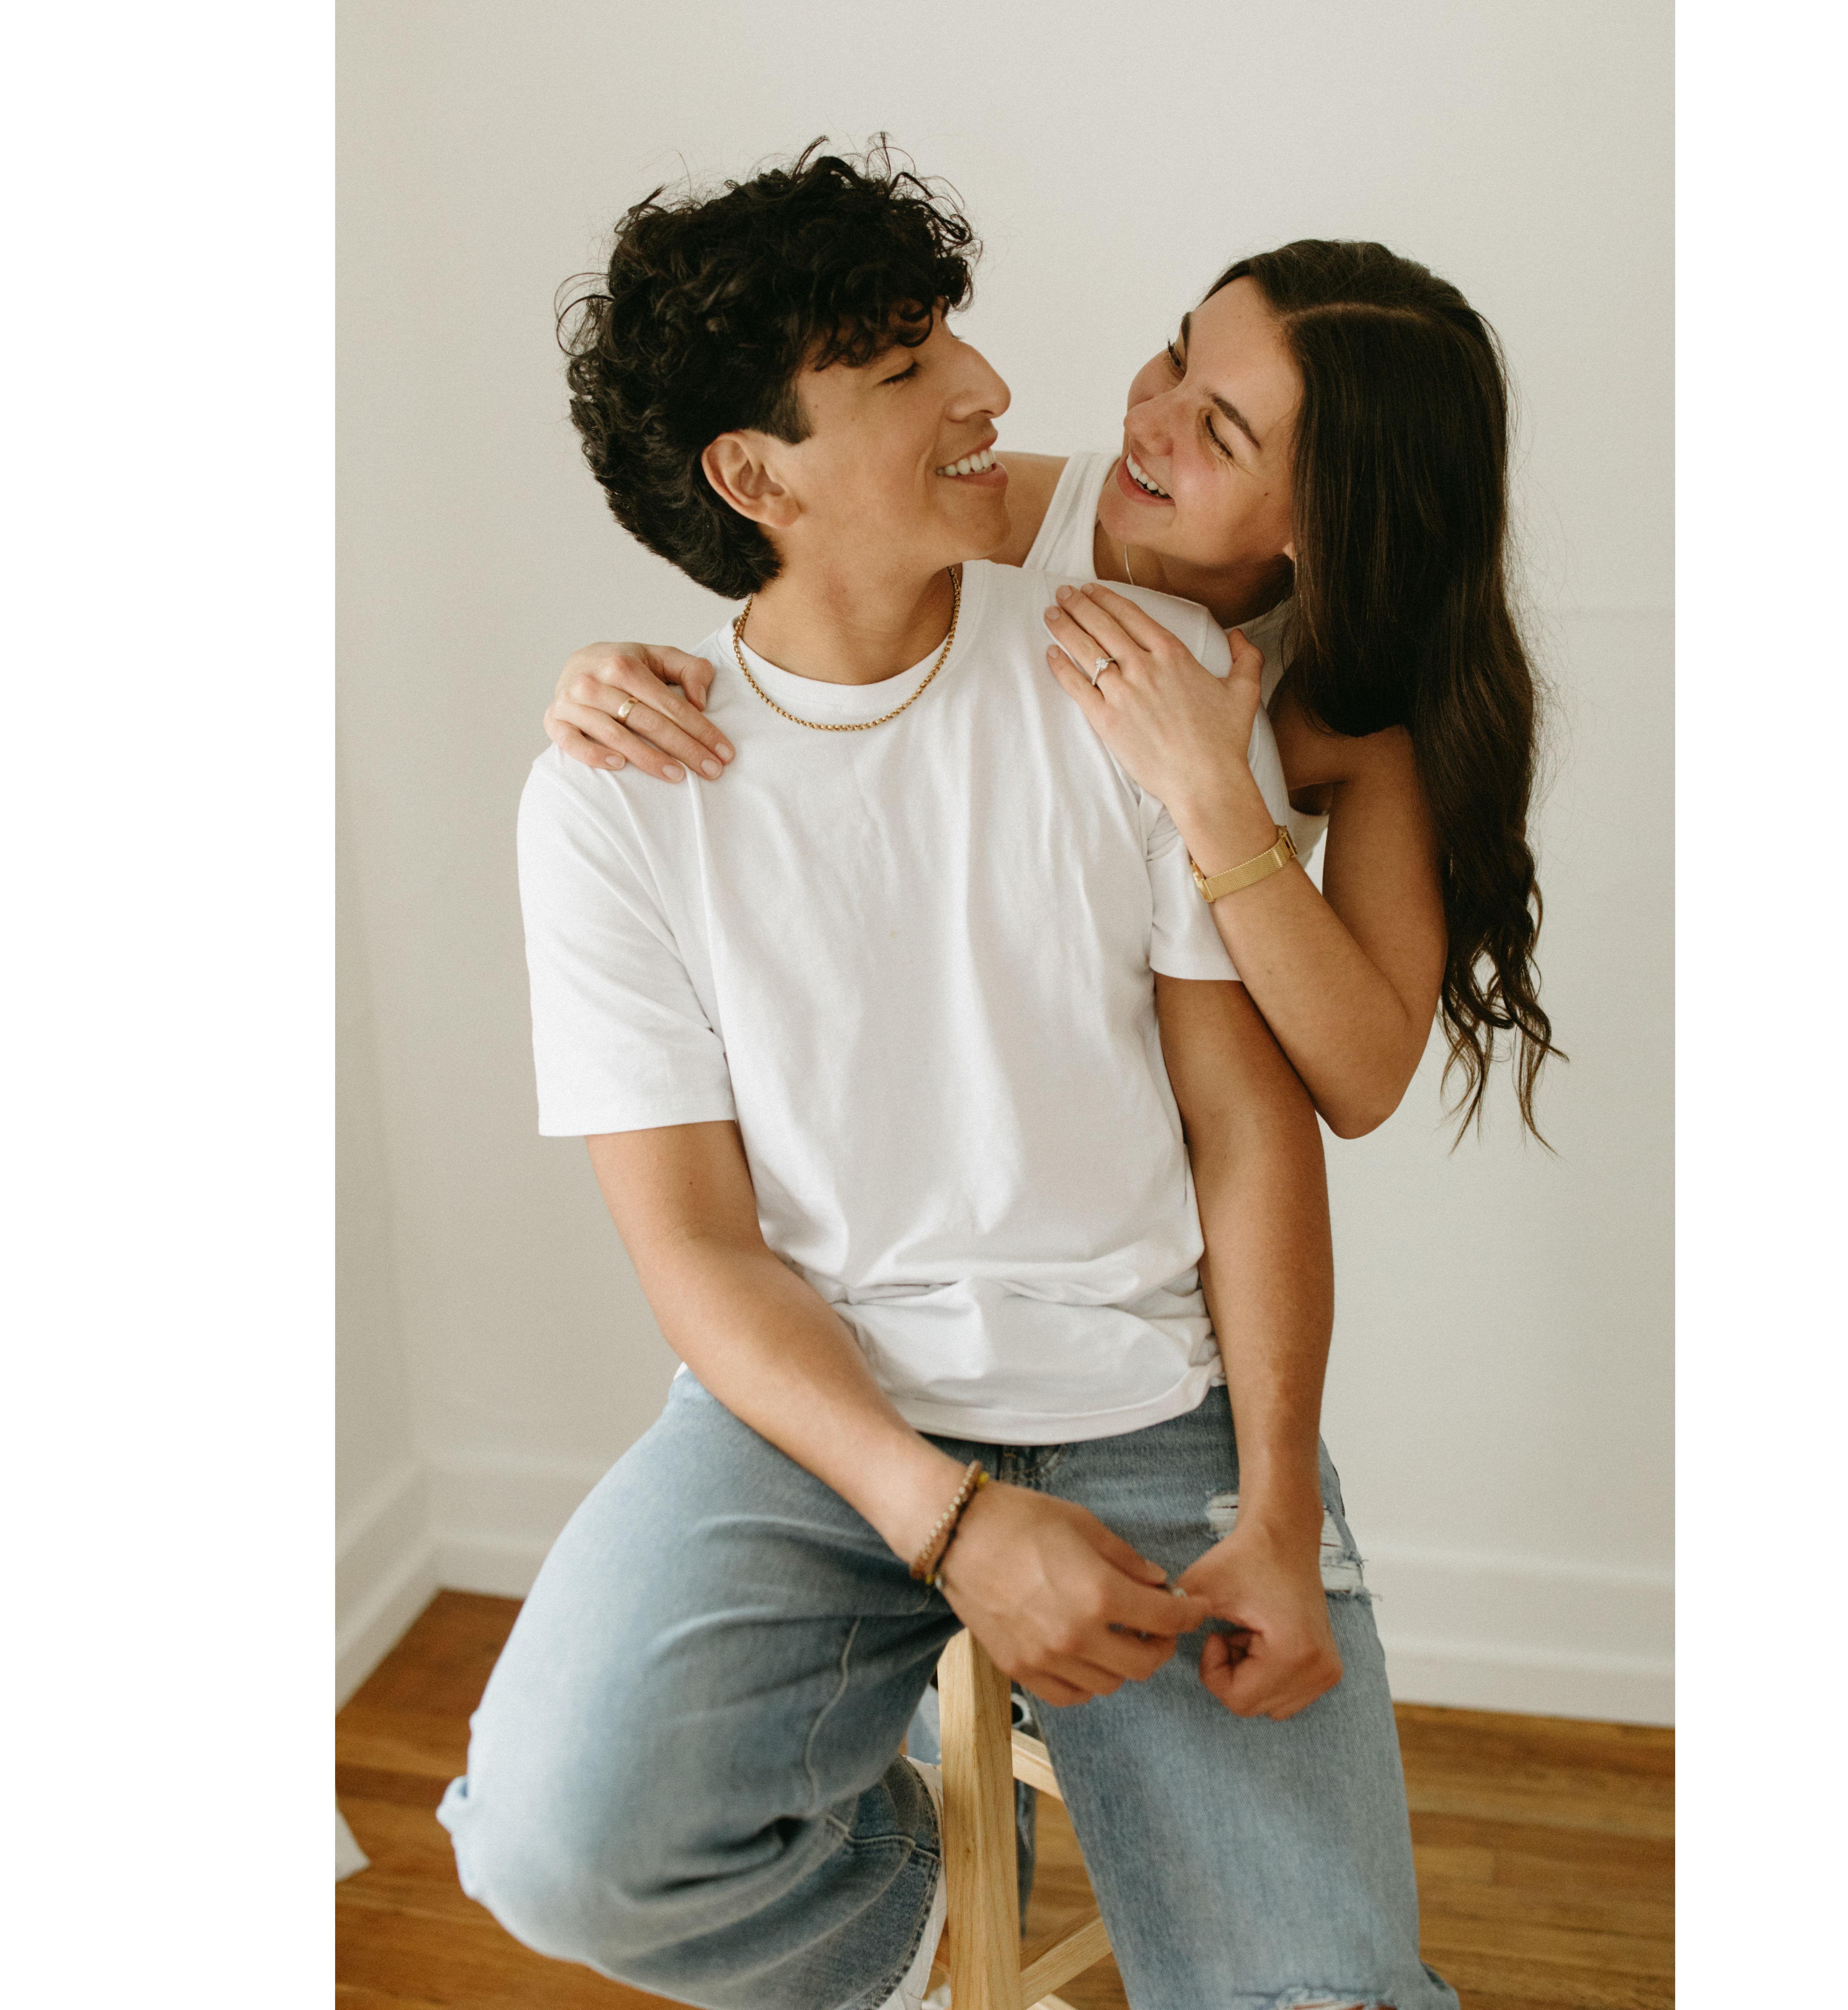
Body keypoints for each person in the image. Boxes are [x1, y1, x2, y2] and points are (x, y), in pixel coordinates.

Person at [438, 143, 1457, 2010]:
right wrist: (954, 1520)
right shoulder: (613, 792)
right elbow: (696, 1251)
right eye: (910, 368)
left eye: (948, 341)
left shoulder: (1149, 681)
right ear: (754, 476)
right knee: (548, 1846)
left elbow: (1268, 1118)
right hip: (817, 1416)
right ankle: (917, 1934)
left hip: (1147, 1405)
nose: (995, 386)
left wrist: (1274, 1513)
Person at [542, 234, 1561, 1147]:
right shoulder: (998, 524)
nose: (1148, 423)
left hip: (1177, 1166)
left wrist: (1212, 790)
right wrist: (604, 675)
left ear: (1327, 524)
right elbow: (796, 602)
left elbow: (1365, 1081)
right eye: (1176, 358)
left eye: (1220, 434)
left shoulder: (1356, 698)